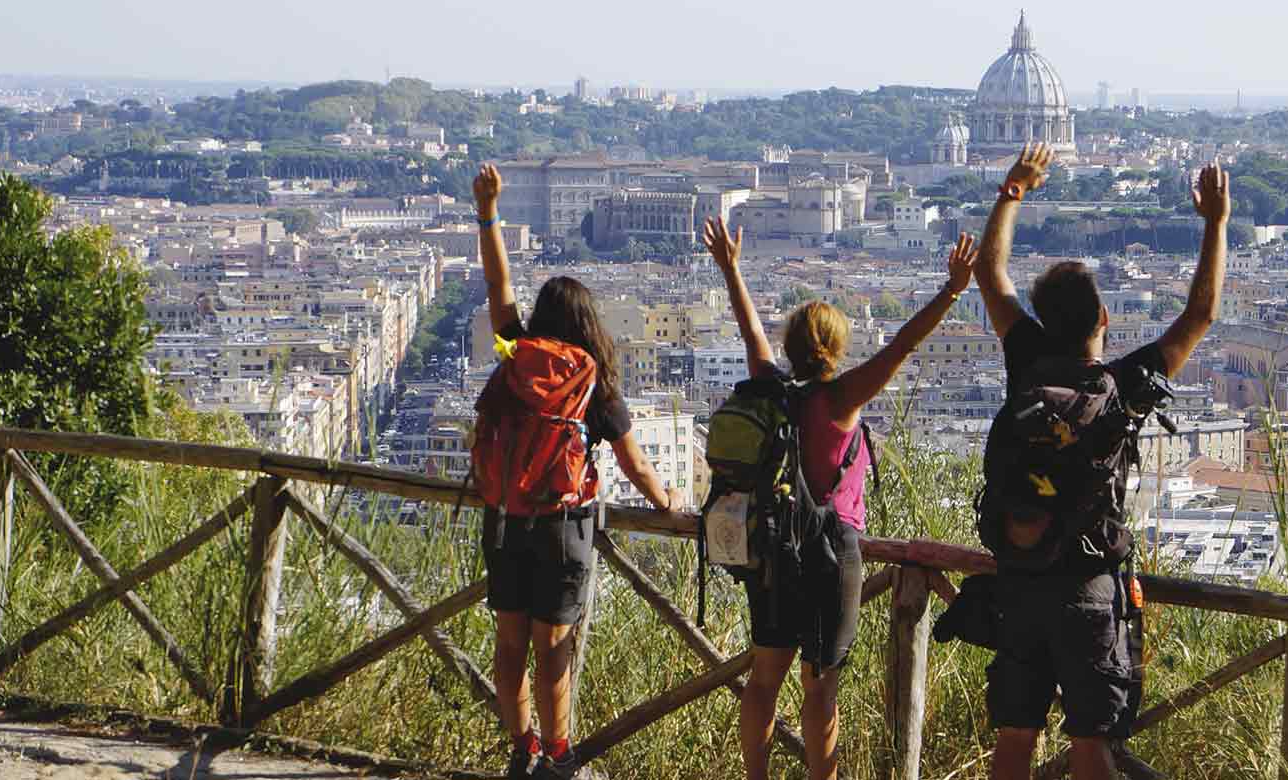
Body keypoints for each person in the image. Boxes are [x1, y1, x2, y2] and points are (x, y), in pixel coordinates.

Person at [972, 144, 1229, 780]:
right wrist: (1216, 224)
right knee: (1093, 751)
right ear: (1104, 319)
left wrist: (1013, 191)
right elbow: (1201, 314)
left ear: (1044, 321)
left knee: (1013, 746)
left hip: (1020, 582)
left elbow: (991, 275)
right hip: (1090, 587)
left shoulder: (1025, 363)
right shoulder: (1124, 384)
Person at [701, 217, 980, 780]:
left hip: (773, 549)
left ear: (794, 348)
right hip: (833, 553)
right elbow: (905, 344)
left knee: (764, 676)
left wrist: (731, 268)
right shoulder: (843, 399)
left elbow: (749, 330)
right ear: (836, 346)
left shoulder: (772, 391)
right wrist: (952, 290)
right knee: (821, 683)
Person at [471, 164, 684, 780]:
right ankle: (560, 758)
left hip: (506, 520)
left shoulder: (518, 356)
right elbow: (635, 464)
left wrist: (488, 212)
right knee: (553, 651)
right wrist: (666, 498)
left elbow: (497, 286)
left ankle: (523, 748)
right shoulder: (591, 381)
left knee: (509, 648)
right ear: (589, 323)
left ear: (543, 320)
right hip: (563, 528)